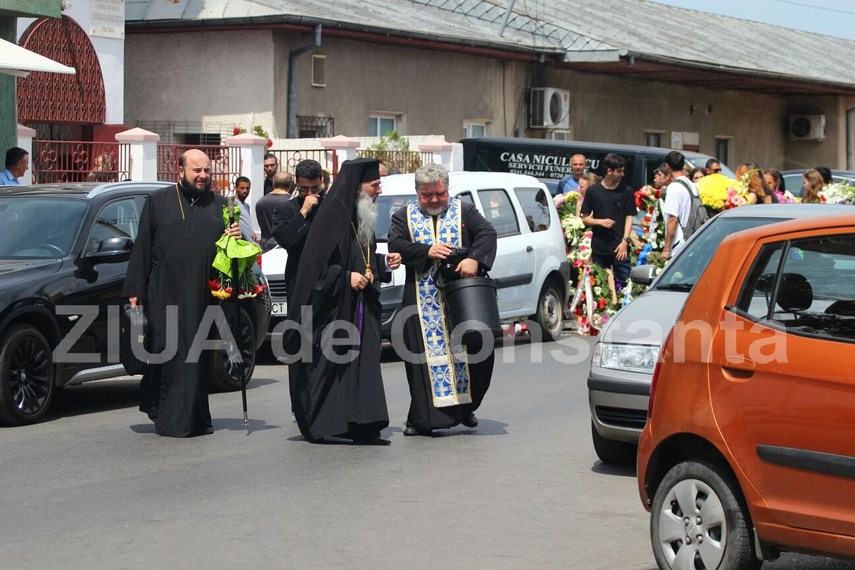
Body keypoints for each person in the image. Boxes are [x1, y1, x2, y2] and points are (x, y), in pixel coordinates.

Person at [122, 149, 242, 437]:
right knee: (170, 354)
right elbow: (142, 247)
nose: (202, 176)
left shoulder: (221, 205)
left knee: (195, 357)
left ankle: (194, 418)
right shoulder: (158, 201)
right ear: (180, 171)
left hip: (202, 293)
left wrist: (235, 238)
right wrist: (135, 290)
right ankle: (169, 416)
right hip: (164, 291)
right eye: (196, 171)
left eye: (206, 171)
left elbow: (232, 257)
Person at [285, 157, 400, 445]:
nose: (380, 190)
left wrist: (383, 264)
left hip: (360, 304)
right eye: (375, 185)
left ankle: (364, 425)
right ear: (359, 187)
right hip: (331, 307)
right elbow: (313, 265)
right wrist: (344, 277)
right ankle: (323, 425)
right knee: (330, 365)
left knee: (364, 364)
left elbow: (361, 257)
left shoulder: (362, 215)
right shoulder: (331, 215)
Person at [388, 163, 498, 437]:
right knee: (421, 363)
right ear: (417, 192)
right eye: (428, 195)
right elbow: (396, 244)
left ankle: (464, 409)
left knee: (475, 357)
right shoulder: (404, 216)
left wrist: (474, 258)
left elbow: (487, 234)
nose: (435, 200)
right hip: (420, 302)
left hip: (462, 301)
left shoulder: (465, 210)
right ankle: (421, 420)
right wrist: (427, 250)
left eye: (439, 193)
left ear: (447, 189)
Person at [271, 159, 325, 304]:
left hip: (328, 281)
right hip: (299, 279)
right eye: (304, 189)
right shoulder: (285, 210)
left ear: (321, 181)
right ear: (296, 183)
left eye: (314, 188)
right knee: (302, 324)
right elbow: (285, 240)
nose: (309, 194)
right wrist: (303, 213)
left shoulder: (329, 206)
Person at [580, 153, 637, 288]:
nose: (622, 174)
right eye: (619, 171)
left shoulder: (626, 191)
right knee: (601, 285)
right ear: (609, 171)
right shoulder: (593, 191)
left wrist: (625, 241)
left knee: (625, 284)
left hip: (620, 248)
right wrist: (600, 222)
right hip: (600, 247)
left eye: (623, 171)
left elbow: (629, 217)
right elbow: (585, 219)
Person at [661, 151, 696, 260]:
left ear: (667, 166)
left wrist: (666, 249)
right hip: (692, 239)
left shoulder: (674, 187)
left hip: (678, 244)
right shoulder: (691, 185)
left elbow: (673, 219)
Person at [255, 171, 293, 251]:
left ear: (273, 183)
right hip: (284, 249)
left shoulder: (260, 202)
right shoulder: (291, 202)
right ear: (290, 185)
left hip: (266, 248)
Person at [234, 176, 257, 243]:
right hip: (241, 242)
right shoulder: (233, 203)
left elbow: (244, 223)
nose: (245, 191)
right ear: (236, 188)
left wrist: (251, 232)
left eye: (247, 188)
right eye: (242, 188)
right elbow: (238, 225)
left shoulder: (247, 206)